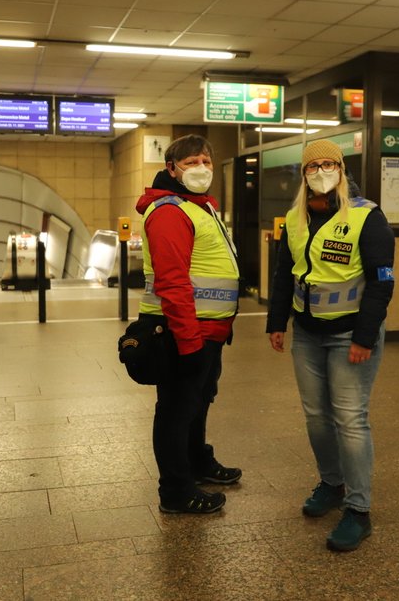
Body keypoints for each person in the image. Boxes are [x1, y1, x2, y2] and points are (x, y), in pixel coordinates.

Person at [266, 139, 395, 551]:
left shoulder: (366, 217)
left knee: (350, 419)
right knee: (317, 417)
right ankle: (332, 484)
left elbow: (382, 282)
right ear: (303, 174)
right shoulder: (295, 217)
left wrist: (363, 337)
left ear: (341, 170)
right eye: (313, 166)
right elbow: (284, 273)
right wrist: (276, 321)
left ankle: (359, 511)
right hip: (307, 332)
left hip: (350, 334)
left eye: (329, 164)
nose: (321, 171)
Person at [136, 134, 241, 514]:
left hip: (209, 330)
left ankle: (198, 462)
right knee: (176, 410)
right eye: (192, 161)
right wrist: (190, 342)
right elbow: (173, 282)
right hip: (184, 331)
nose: (201, 168)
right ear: (171, 169)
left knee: (197, 403)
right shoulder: (169, 211)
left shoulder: (199, 207)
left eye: (206, 161)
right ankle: (177, 491)